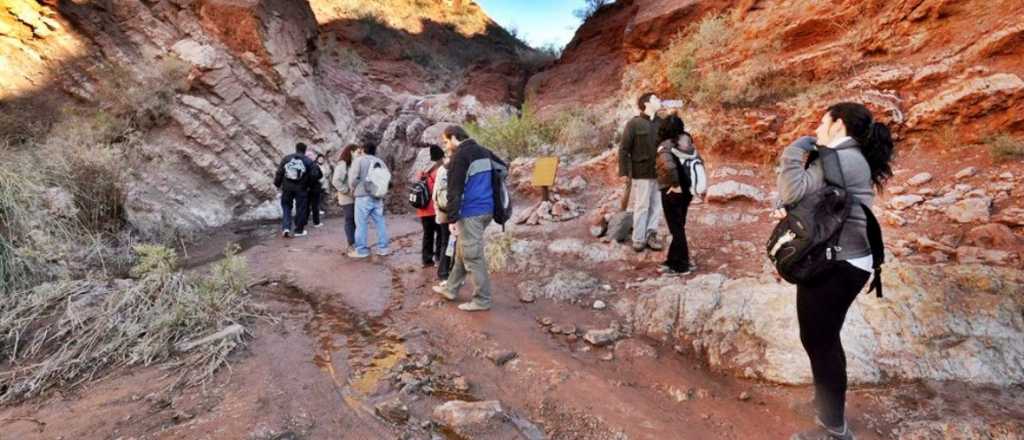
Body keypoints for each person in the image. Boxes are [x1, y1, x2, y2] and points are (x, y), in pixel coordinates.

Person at [778, 102, 894, 440]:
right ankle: (827, 408)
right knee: (822, 339)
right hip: (845, 258)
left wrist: (794, 149)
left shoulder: (840, 156)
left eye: (822, 122)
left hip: (836, 262)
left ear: (838, 124)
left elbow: (790, 191)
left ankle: (833, 428)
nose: (817, 128)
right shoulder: (851, 156)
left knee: (821, 342)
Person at [431, 125, 506, 312]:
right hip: (487, 210)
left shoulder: (460, 157)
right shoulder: (484, 151)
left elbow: (453, 191)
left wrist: (452, 219)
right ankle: (450, 289)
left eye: (446, 141)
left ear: (455, 137)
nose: (446, 146)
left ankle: (482, 300)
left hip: (471, 212)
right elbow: (503, 168)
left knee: (472, 256)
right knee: (462, 252)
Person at [620, 92, 666, 252]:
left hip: (660, 173)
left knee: (656, 206)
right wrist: (625, 172)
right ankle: (638, 238)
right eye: (656, 98)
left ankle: (651, 235)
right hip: (641, 172)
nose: (659, 100)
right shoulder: (634, 124)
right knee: (642, 206)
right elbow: (624, 149)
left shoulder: (662, 123)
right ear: (647, 103)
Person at [654, 115, 698, 275]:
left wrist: (675, 185)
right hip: (688, 190)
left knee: (676, 228)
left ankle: (682, 265)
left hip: (673, 190)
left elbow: (668, 166)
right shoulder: (686, 142)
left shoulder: (665, 145)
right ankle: (673, 260)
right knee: (679, 226)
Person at [347, 143, 390, 258]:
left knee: (361, 223)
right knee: (380, 222)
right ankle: (383, 248)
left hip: (362, 196)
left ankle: (361, 250)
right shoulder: (381, 162)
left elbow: (353, 179)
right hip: (378, 196)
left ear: (363, 150)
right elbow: (387, 178)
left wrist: (352, 188)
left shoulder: (359, 161)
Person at [274, 142, 320, 238]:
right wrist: (308, 185)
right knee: (301, 208)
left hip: (287, 187)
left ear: (296, 149)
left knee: (286, 206)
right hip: (301, 188)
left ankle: (286, 227)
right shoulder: (308, 161)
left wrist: (277, 184)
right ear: (304, 150)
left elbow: (279, 172)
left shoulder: (286, 159)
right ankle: (299, 230)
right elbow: (315, 175)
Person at [416, 145, 446, 268]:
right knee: (440, 234)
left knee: (427, 235)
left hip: (423, 210)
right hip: (435, 209)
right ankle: (438, 258)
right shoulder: (439, 172)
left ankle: (426, 259)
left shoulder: (422, 172)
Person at [433, 146, 454, 284]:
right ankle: (446, 272)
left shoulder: (440, 170)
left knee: (445, 241)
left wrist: (437, 210)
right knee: (450, 242)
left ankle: (443, 272)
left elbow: (435, 193)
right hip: (452, 210)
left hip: (441, 210)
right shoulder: (456, 170)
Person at [332, 144, 358, 251]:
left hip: (354, 197)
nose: (359, 154)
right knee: (350, 219)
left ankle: (355, 242)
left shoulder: (352, 164)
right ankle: (351, 243)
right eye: (357, 151)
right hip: (347, 198)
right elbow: (335, 181)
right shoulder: (343, 165)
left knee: (355, 220)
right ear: (351, 152)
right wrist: (346, 190)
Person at [306, 151, 326, 228]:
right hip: (315, 188)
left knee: (306, 205)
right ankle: (316, 222)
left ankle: (304, 221)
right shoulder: (314, 165)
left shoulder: (304, 165)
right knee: (315, 206)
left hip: (306, 188)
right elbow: (320, 175)